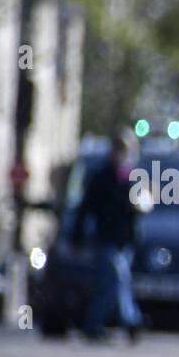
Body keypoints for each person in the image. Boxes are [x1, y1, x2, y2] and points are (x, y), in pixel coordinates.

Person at [74, 128, 144, 342]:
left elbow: (140, 208)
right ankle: (130, 320)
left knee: (114, 283)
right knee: (117, 278)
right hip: (106, 239)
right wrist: (76, 234)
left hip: (125, 241)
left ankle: (98, 324)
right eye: (118, 149)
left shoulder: (133, 178)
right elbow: (86, 207)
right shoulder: (101, 178)